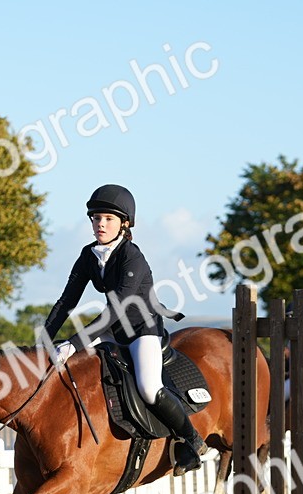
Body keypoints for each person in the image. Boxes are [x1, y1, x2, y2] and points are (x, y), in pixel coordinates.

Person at [42, 184, 207, 475]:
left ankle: (191, 439)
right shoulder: (88, 255)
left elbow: (118, 308)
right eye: (95, 218)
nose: (100, 224)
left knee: (148, 388)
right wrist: (43, 341)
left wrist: (74, 341)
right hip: (113, 329)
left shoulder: (132, 256)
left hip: (143, 330)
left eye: (107, 218)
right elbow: (66, 301)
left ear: (124, 223)